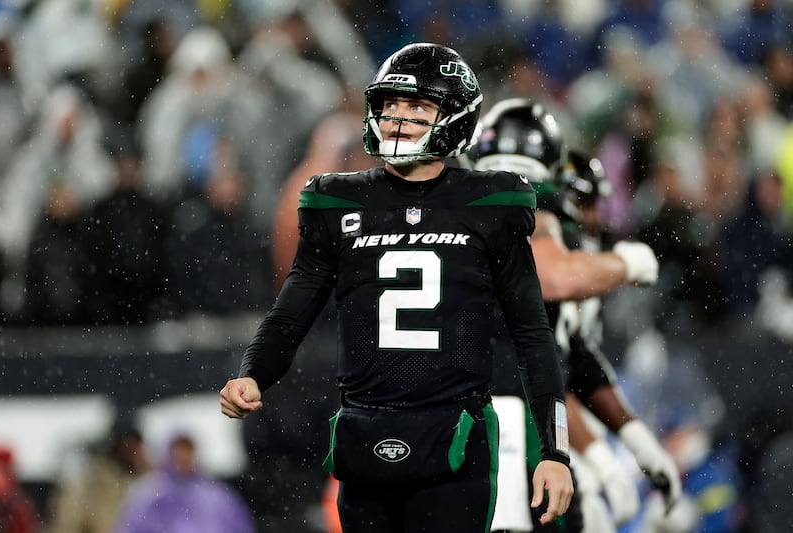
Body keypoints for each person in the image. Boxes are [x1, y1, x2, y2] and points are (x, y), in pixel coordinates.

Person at [220, 42, 574, 533]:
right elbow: (291, 313)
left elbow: (532, 335)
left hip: (455, 436)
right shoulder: (337, 200)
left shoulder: (491, 203)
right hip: (365, 434)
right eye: (390, 105)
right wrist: (254, 373)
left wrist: (555, 452)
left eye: (418, 107)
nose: (398, 120)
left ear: (455, 117)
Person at [465, 98, 681, 532]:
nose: (589, 217)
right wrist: (626, 263)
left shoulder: (461, 211)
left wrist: (635, 441)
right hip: (491, 419)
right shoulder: (523, 217)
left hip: (462, 415)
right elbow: (555, 280)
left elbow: (571, 356)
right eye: (581, 202)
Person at [113, 432, 254, 533]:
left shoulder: (217, 495)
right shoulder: (149, 492)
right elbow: (130, 526)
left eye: (188, 452)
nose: (184, 458)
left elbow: (240, 525)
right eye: (180, 452)